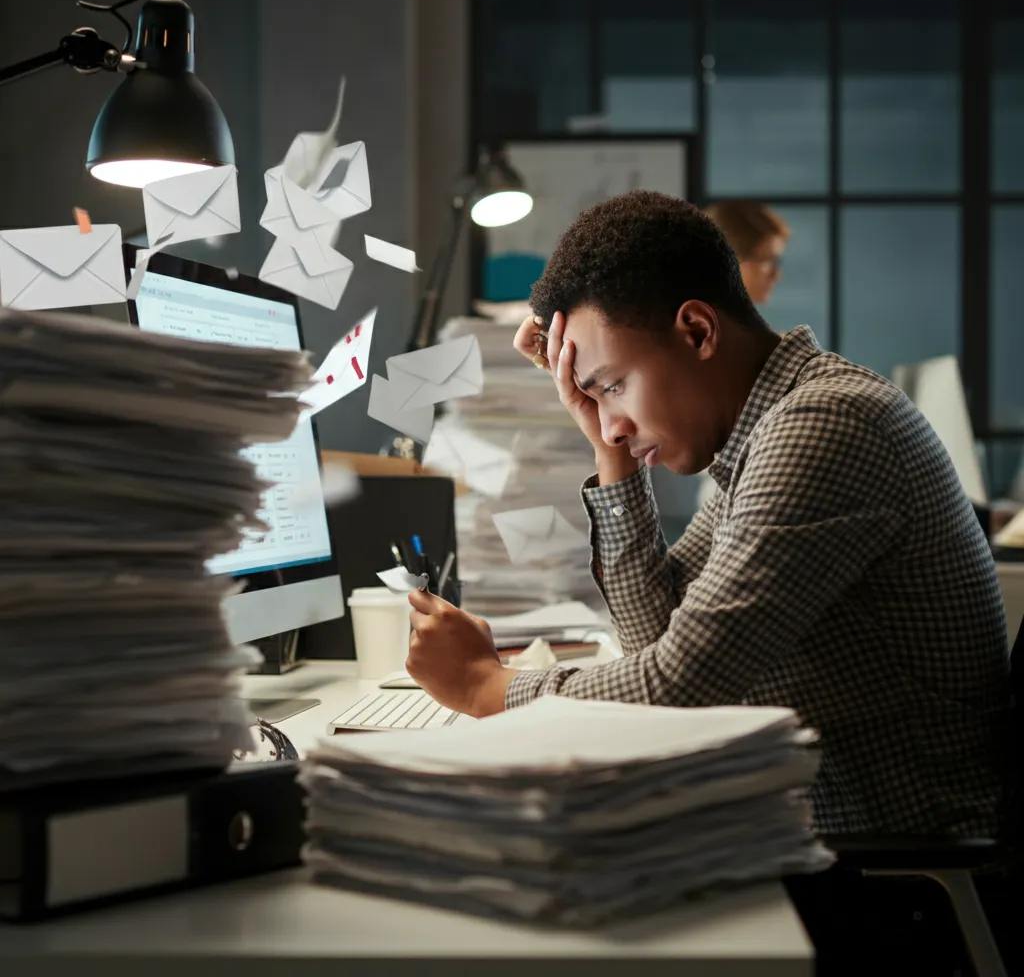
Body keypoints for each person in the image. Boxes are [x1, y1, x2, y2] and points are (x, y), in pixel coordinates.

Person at [405, 190, 1009, 842]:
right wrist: (609, 447)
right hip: (826, 836)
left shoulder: (823, 425)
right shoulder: (760, 431)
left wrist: (482, 687)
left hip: (902, 877)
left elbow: (680, 689)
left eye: (611, 385)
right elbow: (656, 637)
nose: (612, 420)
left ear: (697, 331)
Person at [695, 202, 790, 509]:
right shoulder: (708, 340)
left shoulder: (748, 339)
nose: (776, 274)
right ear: (731, 261)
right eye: (768, 260)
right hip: (735, 490)